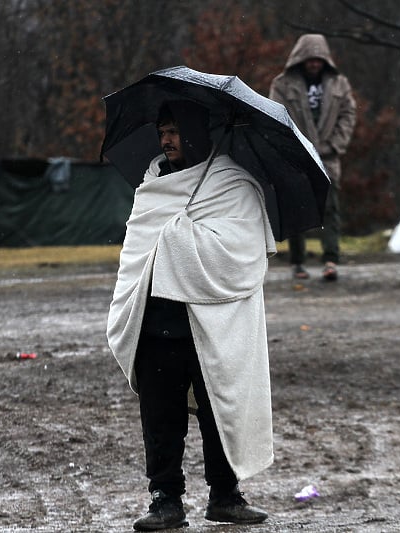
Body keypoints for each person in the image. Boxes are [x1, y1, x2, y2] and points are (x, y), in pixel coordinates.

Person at [107, 100, 276, 531]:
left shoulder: (232, 184)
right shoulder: (153, 185)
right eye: (163, 131)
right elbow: (139, 249)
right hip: (156, 320)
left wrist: (183, 237)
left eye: (176, 131)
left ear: (198, 133)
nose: (166, 139)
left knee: (220, 409)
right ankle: (166, 500)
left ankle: (225, 496)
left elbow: (241, 254)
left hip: (212, 323)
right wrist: (170, 236)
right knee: (160, 417)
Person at [269, 34, 356, 281]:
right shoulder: (283, 84)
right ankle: (298, 262)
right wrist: (293, 147)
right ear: (301, 59)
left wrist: (335, 145)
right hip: (296, 156)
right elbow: (276, 115)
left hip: (328, 156)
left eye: (319, 59)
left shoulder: (339, 84)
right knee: (296, 208)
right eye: (310, 59)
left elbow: (348, 114)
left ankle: (331, 260)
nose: (314, 64)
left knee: (330, 209)